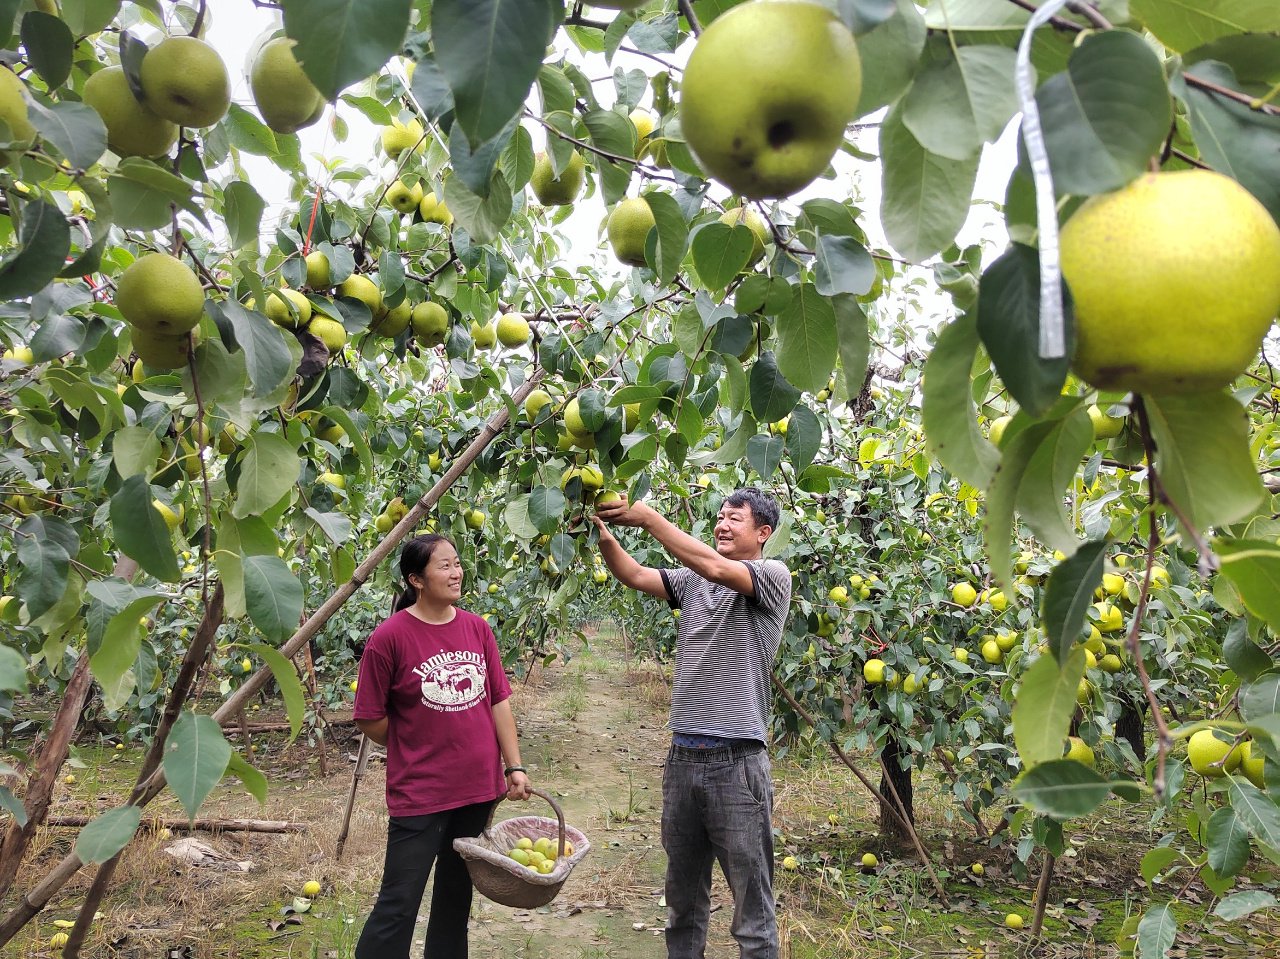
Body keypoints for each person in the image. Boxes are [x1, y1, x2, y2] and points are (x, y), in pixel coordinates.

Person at [591, 487, 791, 959]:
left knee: (752, 908)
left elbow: (718, 568)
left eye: (734, 519)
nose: (722, 524)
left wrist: (648, 519)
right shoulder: (692, 580)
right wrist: (600, 535)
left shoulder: (771, 576)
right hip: (682, 759)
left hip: (736, 764)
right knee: (682, 901)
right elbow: (636, 574)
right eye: (719, 517)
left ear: (763, 533)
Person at [352, 533, 531, 959]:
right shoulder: (390, 638)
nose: (456, 573)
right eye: (444, 566)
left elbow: (498, 701)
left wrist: (514, 766)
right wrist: (415, 741)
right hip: (421, 792)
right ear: (416, 579)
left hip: (476, 787)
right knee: (400, 899)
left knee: (455, 897)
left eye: (457, 563)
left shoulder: (476, 628)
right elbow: (369, 716)